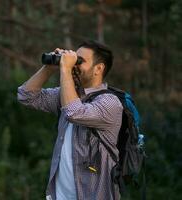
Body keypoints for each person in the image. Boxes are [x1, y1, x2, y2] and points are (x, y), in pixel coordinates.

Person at [17, 40, 123, 200]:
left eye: (79, 61)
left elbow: (73, 112)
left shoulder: (110, 102)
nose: (73, 65)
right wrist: (49, 67)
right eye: (74, 59)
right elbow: (26, 96)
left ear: (98, 68)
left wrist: (65, 69)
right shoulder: (69, 96)